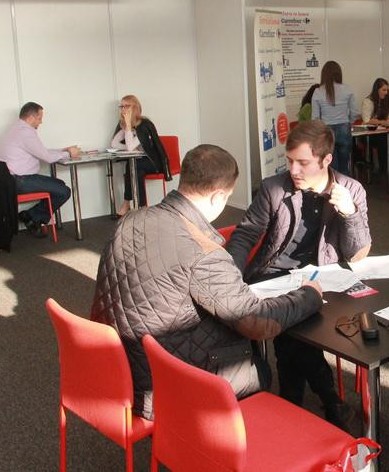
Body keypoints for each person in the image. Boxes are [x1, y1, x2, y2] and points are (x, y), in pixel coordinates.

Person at [91, 144, 323, 420]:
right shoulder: (203, 253)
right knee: (259, 370)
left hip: (119, 367)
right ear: (218, 197)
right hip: (163, 385)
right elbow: (257, 322)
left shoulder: (129, 220)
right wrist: (309, 295)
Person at [225, 120, 371, 430]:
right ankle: (329, 399)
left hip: (323, 279)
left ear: (326, 159)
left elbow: (357, 255)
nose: (294, 170)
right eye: (290, 160)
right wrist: (230, 277)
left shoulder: (350, 190)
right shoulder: (274, 188)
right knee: (294, 325)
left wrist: (350, 214)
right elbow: (245, 235)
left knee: (291, 330)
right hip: (273, 276)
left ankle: (292, 400)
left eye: (303, 162)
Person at [0, 102, 79, 237]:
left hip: (12, 179)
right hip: (20, 180)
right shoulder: (26, 133)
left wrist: (63, 151)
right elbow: (47, 157)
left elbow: (41, 151)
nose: (41, 122)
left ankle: (30, 216)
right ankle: (32, 217)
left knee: (59, 185)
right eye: (40, 118)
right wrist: (69, 153)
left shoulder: (16, 129)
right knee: (64, 191)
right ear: (31, 117)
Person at [111, 94, 171, 216]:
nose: (123, 109)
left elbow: (130, 147)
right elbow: (114, 144)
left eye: (126, 106)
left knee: (132, 166)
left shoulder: (144, 124)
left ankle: (127, 203)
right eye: (121, 106)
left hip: (153, 162)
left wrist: (128, 128)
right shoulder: (122, 124)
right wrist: (133, 149)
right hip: (138, 162)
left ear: (135, 107)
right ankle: (142, 208)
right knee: (136, 170)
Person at [311, 61, 360, 175]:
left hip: (326, 131)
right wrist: (349, 122)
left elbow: (315, 118)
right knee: (345, 165)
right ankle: (345, 185)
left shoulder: (318, 92)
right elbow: (355, 112)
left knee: (331, 167)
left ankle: (332, 185)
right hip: (344, 129)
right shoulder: (347, 89)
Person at [361, 77, 389, 174]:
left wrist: (384, 121)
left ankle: (385, 170)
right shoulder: (368, 101)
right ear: (377, 90)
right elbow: (367, 120)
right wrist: (382, 122)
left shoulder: (387, 101)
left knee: (386, 141)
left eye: (387, 90)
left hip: (382, 132)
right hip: (368, 133)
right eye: (384, 90)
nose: (386, 93)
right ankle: (378, 170)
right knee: (383, 142)